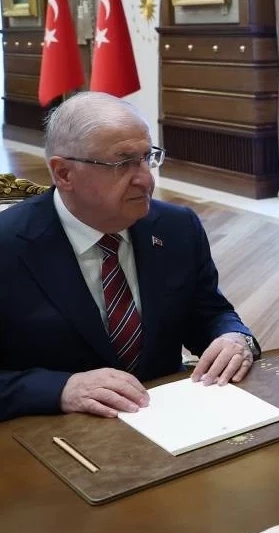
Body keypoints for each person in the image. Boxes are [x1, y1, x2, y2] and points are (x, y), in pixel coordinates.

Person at [0, 92, 260, 421]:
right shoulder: (8, 245)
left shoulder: (176, 227)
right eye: (122, 163)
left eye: (147, 158)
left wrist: (233, 337)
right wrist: (60, 389)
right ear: (64, 173)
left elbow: (208, 312)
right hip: (53, 430)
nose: (146, 179)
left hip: (168, 419)